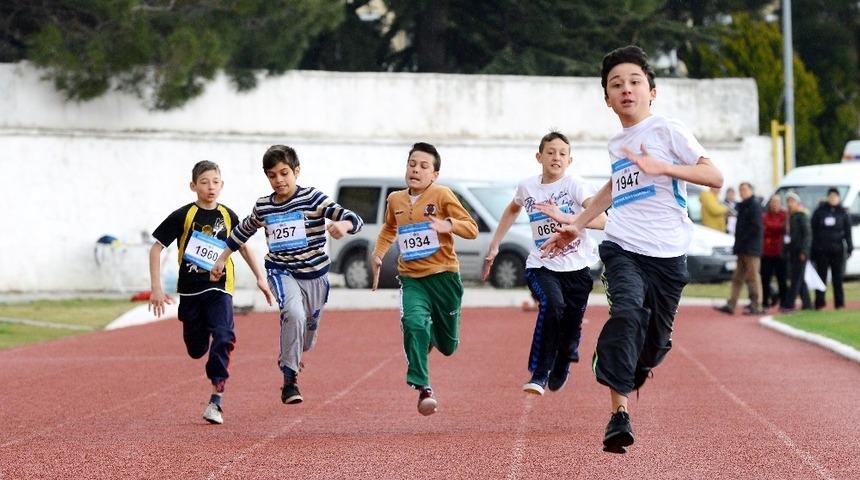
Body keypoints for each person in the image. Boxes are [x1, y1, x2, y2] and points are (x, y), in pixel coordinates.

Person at [539, 45, 723, 454]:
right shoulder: (617, 142)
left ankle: (616, 365)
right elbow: (613, 186)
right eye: (616, 84)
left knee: (654, 348)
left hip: (669, 255)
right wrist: (578, 225)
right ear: (607, 98)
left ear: (651, 91)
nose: (626, 89)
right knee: (626, 315)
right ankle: (619, 415)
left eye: (635, 82)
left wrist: (664, 168)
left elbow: (714, 176)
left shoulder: (668, 131)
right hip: (622, 246)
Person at [210, 145, 363, 405]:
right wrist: (221, 258)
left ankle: (292, 354)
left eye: (284, 173)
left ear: (296, 171)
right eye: (272, 175)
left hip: (315, 275)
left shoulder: (313, 198)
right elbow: (242, 231)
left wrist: (343, 225)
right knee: (293, 313)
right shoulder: (264, 206)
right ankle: (289, 380)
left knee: (307, 338)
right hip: (281, 272)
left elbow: (353, 217)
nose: (279, 180)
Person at [148, 160, 274, 425]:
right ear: (193, 186)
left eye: (215, 182)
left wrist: (260, 278)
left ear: (222, 185)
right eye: (204, 182)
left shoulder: (228, 216)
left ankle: (217, 394)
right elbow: (156, 248)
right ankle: (203, 341)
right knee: (196, 349)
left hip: (220, 288)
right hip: (191, 292)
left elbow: (244, 247)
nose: (210, 187)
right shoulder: (184, 215)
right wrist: (156, 288)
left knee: (225, 335)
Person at [482, 131, 606, 396]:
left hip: (577, 268)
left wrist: (565, 218)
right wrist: (495, 244)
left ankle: (564, 360)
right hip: (541, 265)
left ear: (570, 160)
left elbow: (602, 220)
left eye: (562, 153)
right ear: (539, 156)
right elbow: (513, 209)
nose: (556, 157)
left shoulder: (576, 185)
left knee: (571, 327)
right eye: (550, 152)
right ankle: (539, 373)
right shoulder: (527, 186)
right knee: (552, 305)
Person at [370, 142, 478, 416]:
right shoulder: (395, 200)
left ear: (434, 174)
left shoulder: (442, 194)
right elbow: (388, 229)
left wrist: (448, 225)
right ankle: (423, 387)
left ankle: (435, 335)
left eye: (423, 166)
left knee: (448, 346)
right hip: (412, 279)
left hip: (444, 279)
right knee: (413, 322)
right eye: (412, 164)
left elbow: (472, 229)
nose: (416, 170)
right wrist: (379, 254)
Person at [714, 182, 763, 315]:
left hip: (751, 248)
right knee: (737, 278)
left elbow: (756, 227)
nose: (742, 192)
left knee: (753, 277)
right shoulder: (742, 206)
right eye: (740, 189)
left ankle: (756, 304)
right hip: (741, 248)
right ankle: (731, 304)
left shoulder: (754, 205)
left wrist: (745, 240)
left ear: (751, 190)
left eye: (744, 189)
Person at [811, 187, 853, 309]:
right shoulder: (820, 211)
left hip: (838, 250)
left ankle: (839, 304)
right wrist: (813, 249)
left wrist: (849, 247)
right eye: (831, 196)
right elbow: (813, 230)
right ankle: (819, 303)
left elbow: (847, 232)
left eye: (835, 196)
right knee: (821, 277)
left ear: (838, 198)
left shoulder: (843, 212)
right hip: (822, 250)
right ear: (828, 197)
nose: (833, 198)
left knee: (838, 278)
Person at [783, 192, 812, 311]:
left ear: (797, 203)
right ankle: (808, 304)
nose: (789, 204)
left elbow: (807, 235)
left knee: (796, 279)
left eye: (792, 201)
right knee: (799, 279)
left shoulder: (801, 216)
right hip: (793, 252)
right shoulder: (790, 217)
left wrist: (804, 251)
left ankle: (789, 304)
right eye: (788, 201)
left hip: (801, 252)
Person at [760, 195, 788, 309]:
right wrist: (776, 229)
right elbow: (764, 229)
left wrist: (771, 228)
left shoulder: (784, 215)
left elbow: (783, 228)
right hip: (766, 252)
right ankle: (765, 302)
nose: (774, 204)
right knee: (765, 279)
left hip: (780, 252)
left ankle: (784, 302)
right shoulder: (764, 216)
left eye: (777, 202)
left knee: (782, 279)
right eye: (773, 202)